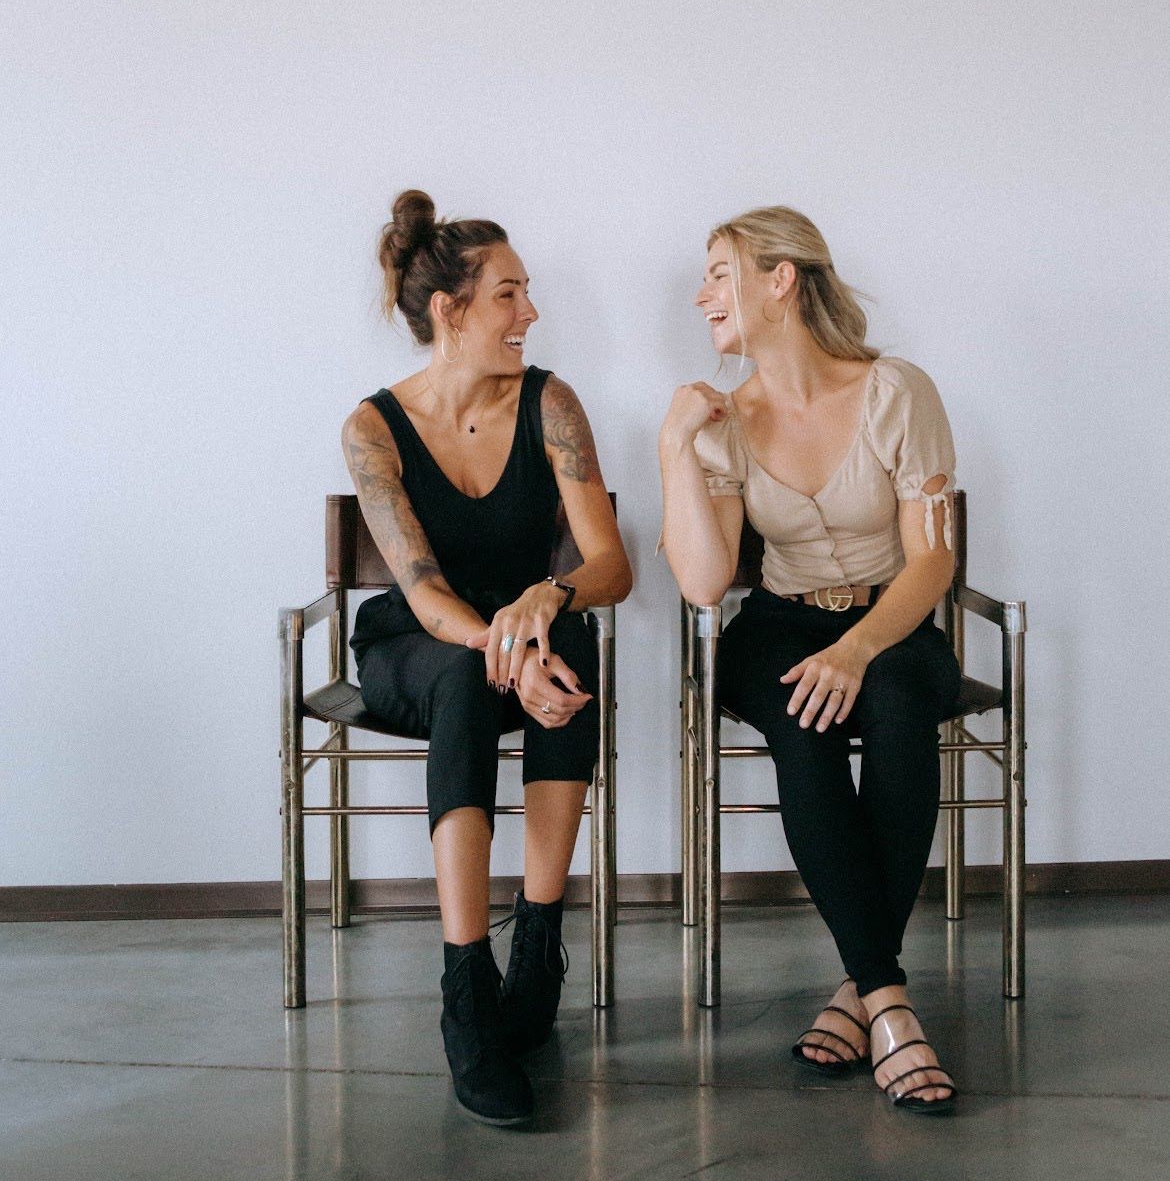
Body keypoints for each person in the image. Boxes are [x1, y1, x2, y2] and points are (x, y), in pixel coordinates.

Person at [659, 205, 961, 1115]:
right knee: (804, 721)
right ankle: (892, 1006)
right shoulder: (723, 419)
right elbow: (707, 583)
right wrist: (676, 446)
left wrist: (861, 646)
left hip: (893, 618)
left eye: (720, 272)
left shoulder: (896, 391)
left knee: (905, 715)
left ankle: (858, 991)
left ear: (779, 279)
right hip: (779, 626)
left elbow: (933, 559)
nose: (702, 293)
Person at [343, 191, 631, 1127]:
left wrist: (550, 597)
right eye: (509, 294)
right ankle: (468, 984)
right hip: (414, 647)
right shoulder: (374, 427)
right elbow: (423, 589)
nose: (530, 314)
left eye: (527, 294)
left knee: (576, 637)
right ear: (450, 310)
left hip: (526, 634)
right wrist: (499, 641)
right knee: (471, 671)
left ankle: (538, 940)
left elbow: (610, 562)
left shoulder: (552, 403)